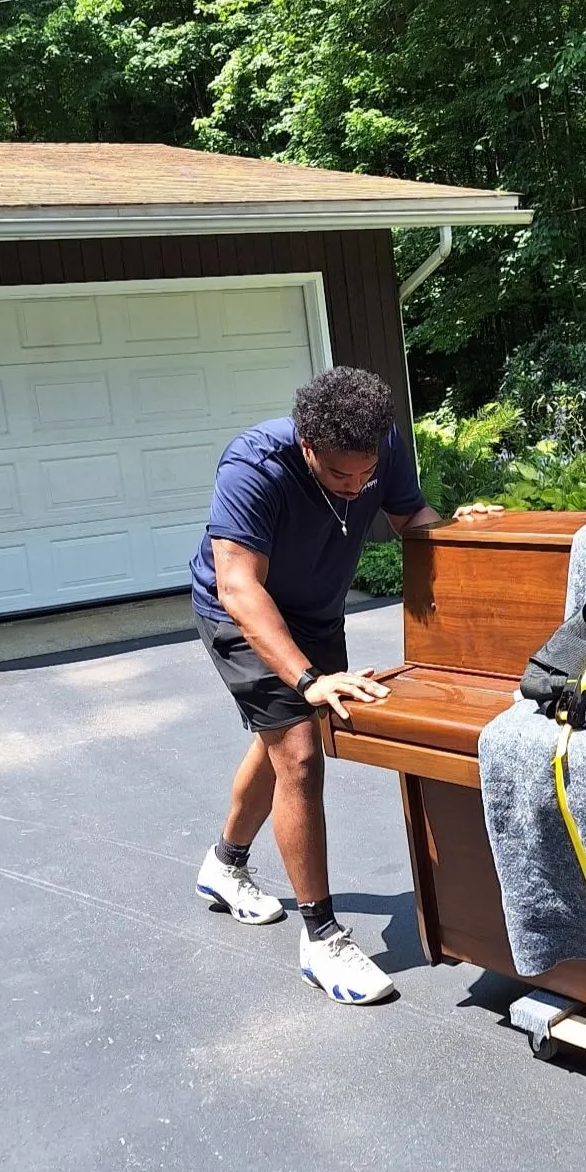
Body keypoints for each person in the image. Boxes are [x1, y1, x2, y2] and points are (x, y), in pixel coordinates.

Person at [189, 365, 501, 1004]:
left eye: (366, 474)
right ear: (307, 446)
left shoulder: (378, 443)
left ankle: (224, 864)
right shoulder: (255, 464)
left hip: (317, 610)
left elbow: (410, 515)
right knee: (300, 754)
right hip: (244, 613)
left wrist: (458, 531)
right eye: (338, 475)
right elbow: (238, 584)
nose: (357, 488)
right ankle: (322, 937)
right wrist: (306, 678)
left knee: (276, 743)